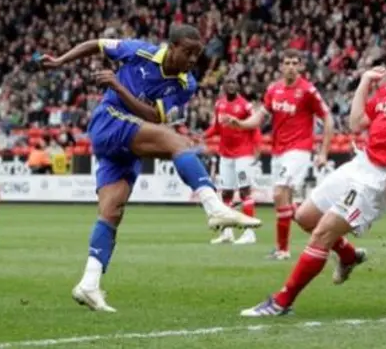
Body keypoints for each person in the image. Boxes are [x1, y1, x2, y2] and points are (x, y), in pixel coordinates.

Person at [42, 24, 261, 312]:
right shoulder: (138, 50)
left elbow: (153, 115)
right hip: (109, 119)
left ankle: (89, 284)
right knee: (178, 143)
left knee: (111, 213)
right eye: (188, 52)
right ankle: (213, 206)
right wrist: (59, 61)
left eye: (197, 54)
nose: (193, 60)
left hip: (127, 139)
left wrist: (117, 85)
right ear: (172, 47)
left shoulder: (186, 84)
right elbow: (96, 43)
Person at [240, 25, 386, 316]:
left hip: (379, 178)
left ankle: (282, 302)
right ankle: (347, 255)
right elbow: (356, 123)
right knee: (305, 216)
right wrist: (364, 83)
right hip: (361, 163)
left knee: (321, 233)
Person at [223, 49, 334, 260]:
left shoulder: (308, 91)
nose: (291, 66)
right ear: (281, 66)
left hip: (299, 150)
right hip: (278, 152)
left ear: (301, 66)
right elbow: (259, 118)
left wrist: (324, 152)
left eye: (295, 62)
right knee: (286, 204)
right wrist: (239, 123)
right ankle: (326, 230)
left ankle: (283, 250)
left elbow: (327, 118)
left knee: (278, 193)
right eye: (287, 63)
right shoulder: (274, 90)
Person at [203, 76, 262, 245]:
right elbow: (216, 127)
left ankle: (250, 233)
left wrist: (258, 149)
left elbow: (254, 127)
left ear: (238, 86)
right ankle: (227, 233)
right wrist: (203, 136)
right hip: (226, 155)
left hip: (243, 154)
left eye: (233, 82)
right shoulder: (219, 104)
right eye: (228, 82)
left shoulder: (245, 105)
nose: (231, 85)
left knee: (244, 191)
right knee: (226, 193)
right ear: (223, 86)